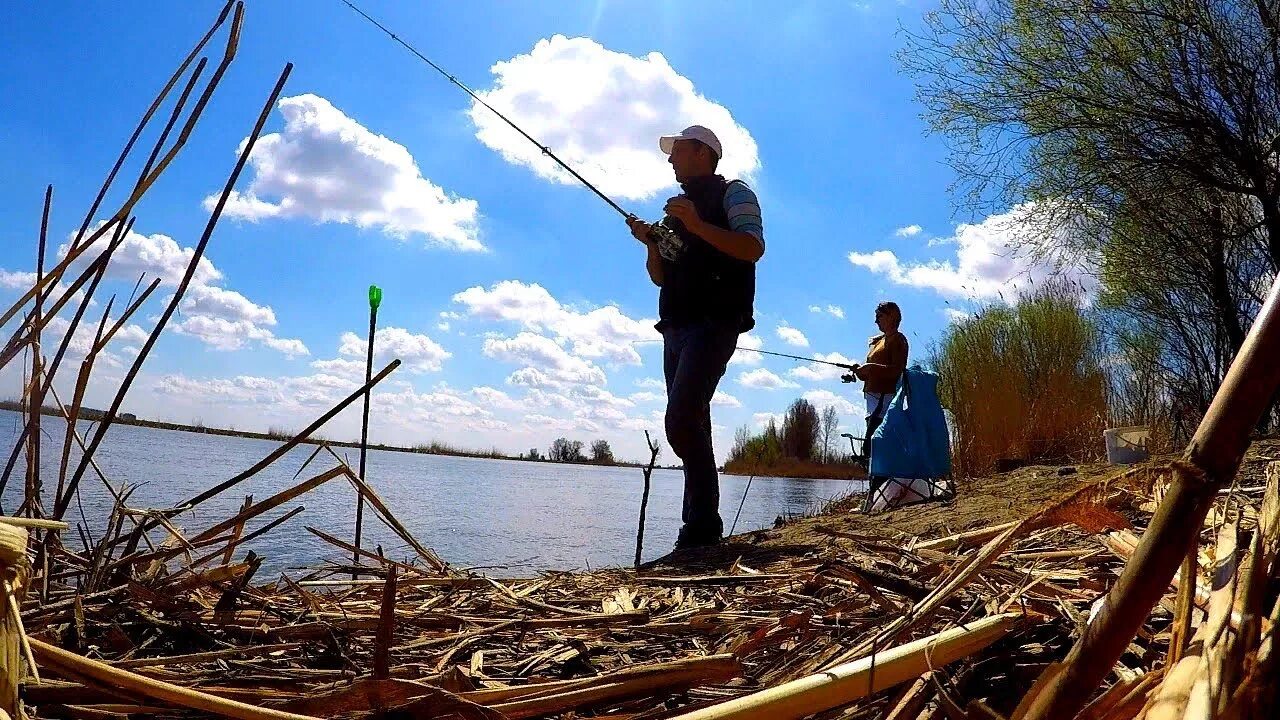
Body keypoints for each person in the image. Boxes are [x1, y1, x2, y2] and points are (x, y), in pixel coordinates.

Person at [625, 125, 765, 550]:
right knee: (693, 423)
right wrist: (650, 243)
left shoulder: (734, 193)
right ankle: (701, 529)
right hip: (675, 328)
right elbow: (660, 276)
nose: (671, 160)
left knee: (682, 418)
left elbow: (751, 247)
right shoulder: (676, 213)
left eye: (678, 151)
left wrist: (696, 223)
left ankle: (700, 526)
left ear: (703, 153)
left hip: (715, 322)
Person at [842, 302, 909, 452]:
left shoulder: (898, 339)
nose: (876, 320)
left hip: (885, 402)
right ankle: (877, 473)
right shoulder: (878, 342)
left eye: (880, 316)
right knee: (872, 447)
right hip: (871, 404)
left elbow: (897, 371)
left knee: (874, 447)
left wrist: (870, 368)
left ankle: (882, 474)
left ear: (892, 317)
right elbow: (868, 376)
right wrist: (860, 371)